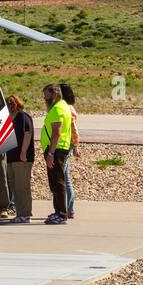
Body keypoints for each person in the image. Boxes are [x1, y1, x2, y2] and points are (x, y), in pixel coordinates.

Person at [41, 83, 74, 225]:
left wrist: (51, 153)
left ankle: (61, 214)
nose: (44, 98)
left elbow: (56, 133)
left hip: (57, 150)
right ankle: (58, 211)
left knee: (58, 182)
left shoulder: (58, 109)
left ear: (54, 94)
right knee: (55, 182)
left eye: (46, 95)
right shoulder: (62, 106)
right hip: (58, 149)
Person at [4, 95, 34, 223]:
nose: (10, 106)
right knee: (15, 186)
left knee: (22, 186)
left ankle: (25, 214)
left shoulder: (23, 117)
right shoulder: (9, 119)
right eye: (8, 104)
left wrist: (23, 151)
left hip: (22, 158)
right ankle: (20, 213)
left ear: (16, 104)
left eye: (11, 104)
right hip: (11, 157)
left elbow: (28, 133)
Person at [59, 83, 80, 220]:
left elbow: (73, 129)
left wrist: (76, 146)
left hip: (66, 145)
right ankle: (69, 208)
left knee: (65, 177)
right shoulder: (68, 107)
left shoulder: (67, 109)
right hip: (67, 144)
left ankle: (69, 208)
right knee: (65, 176)